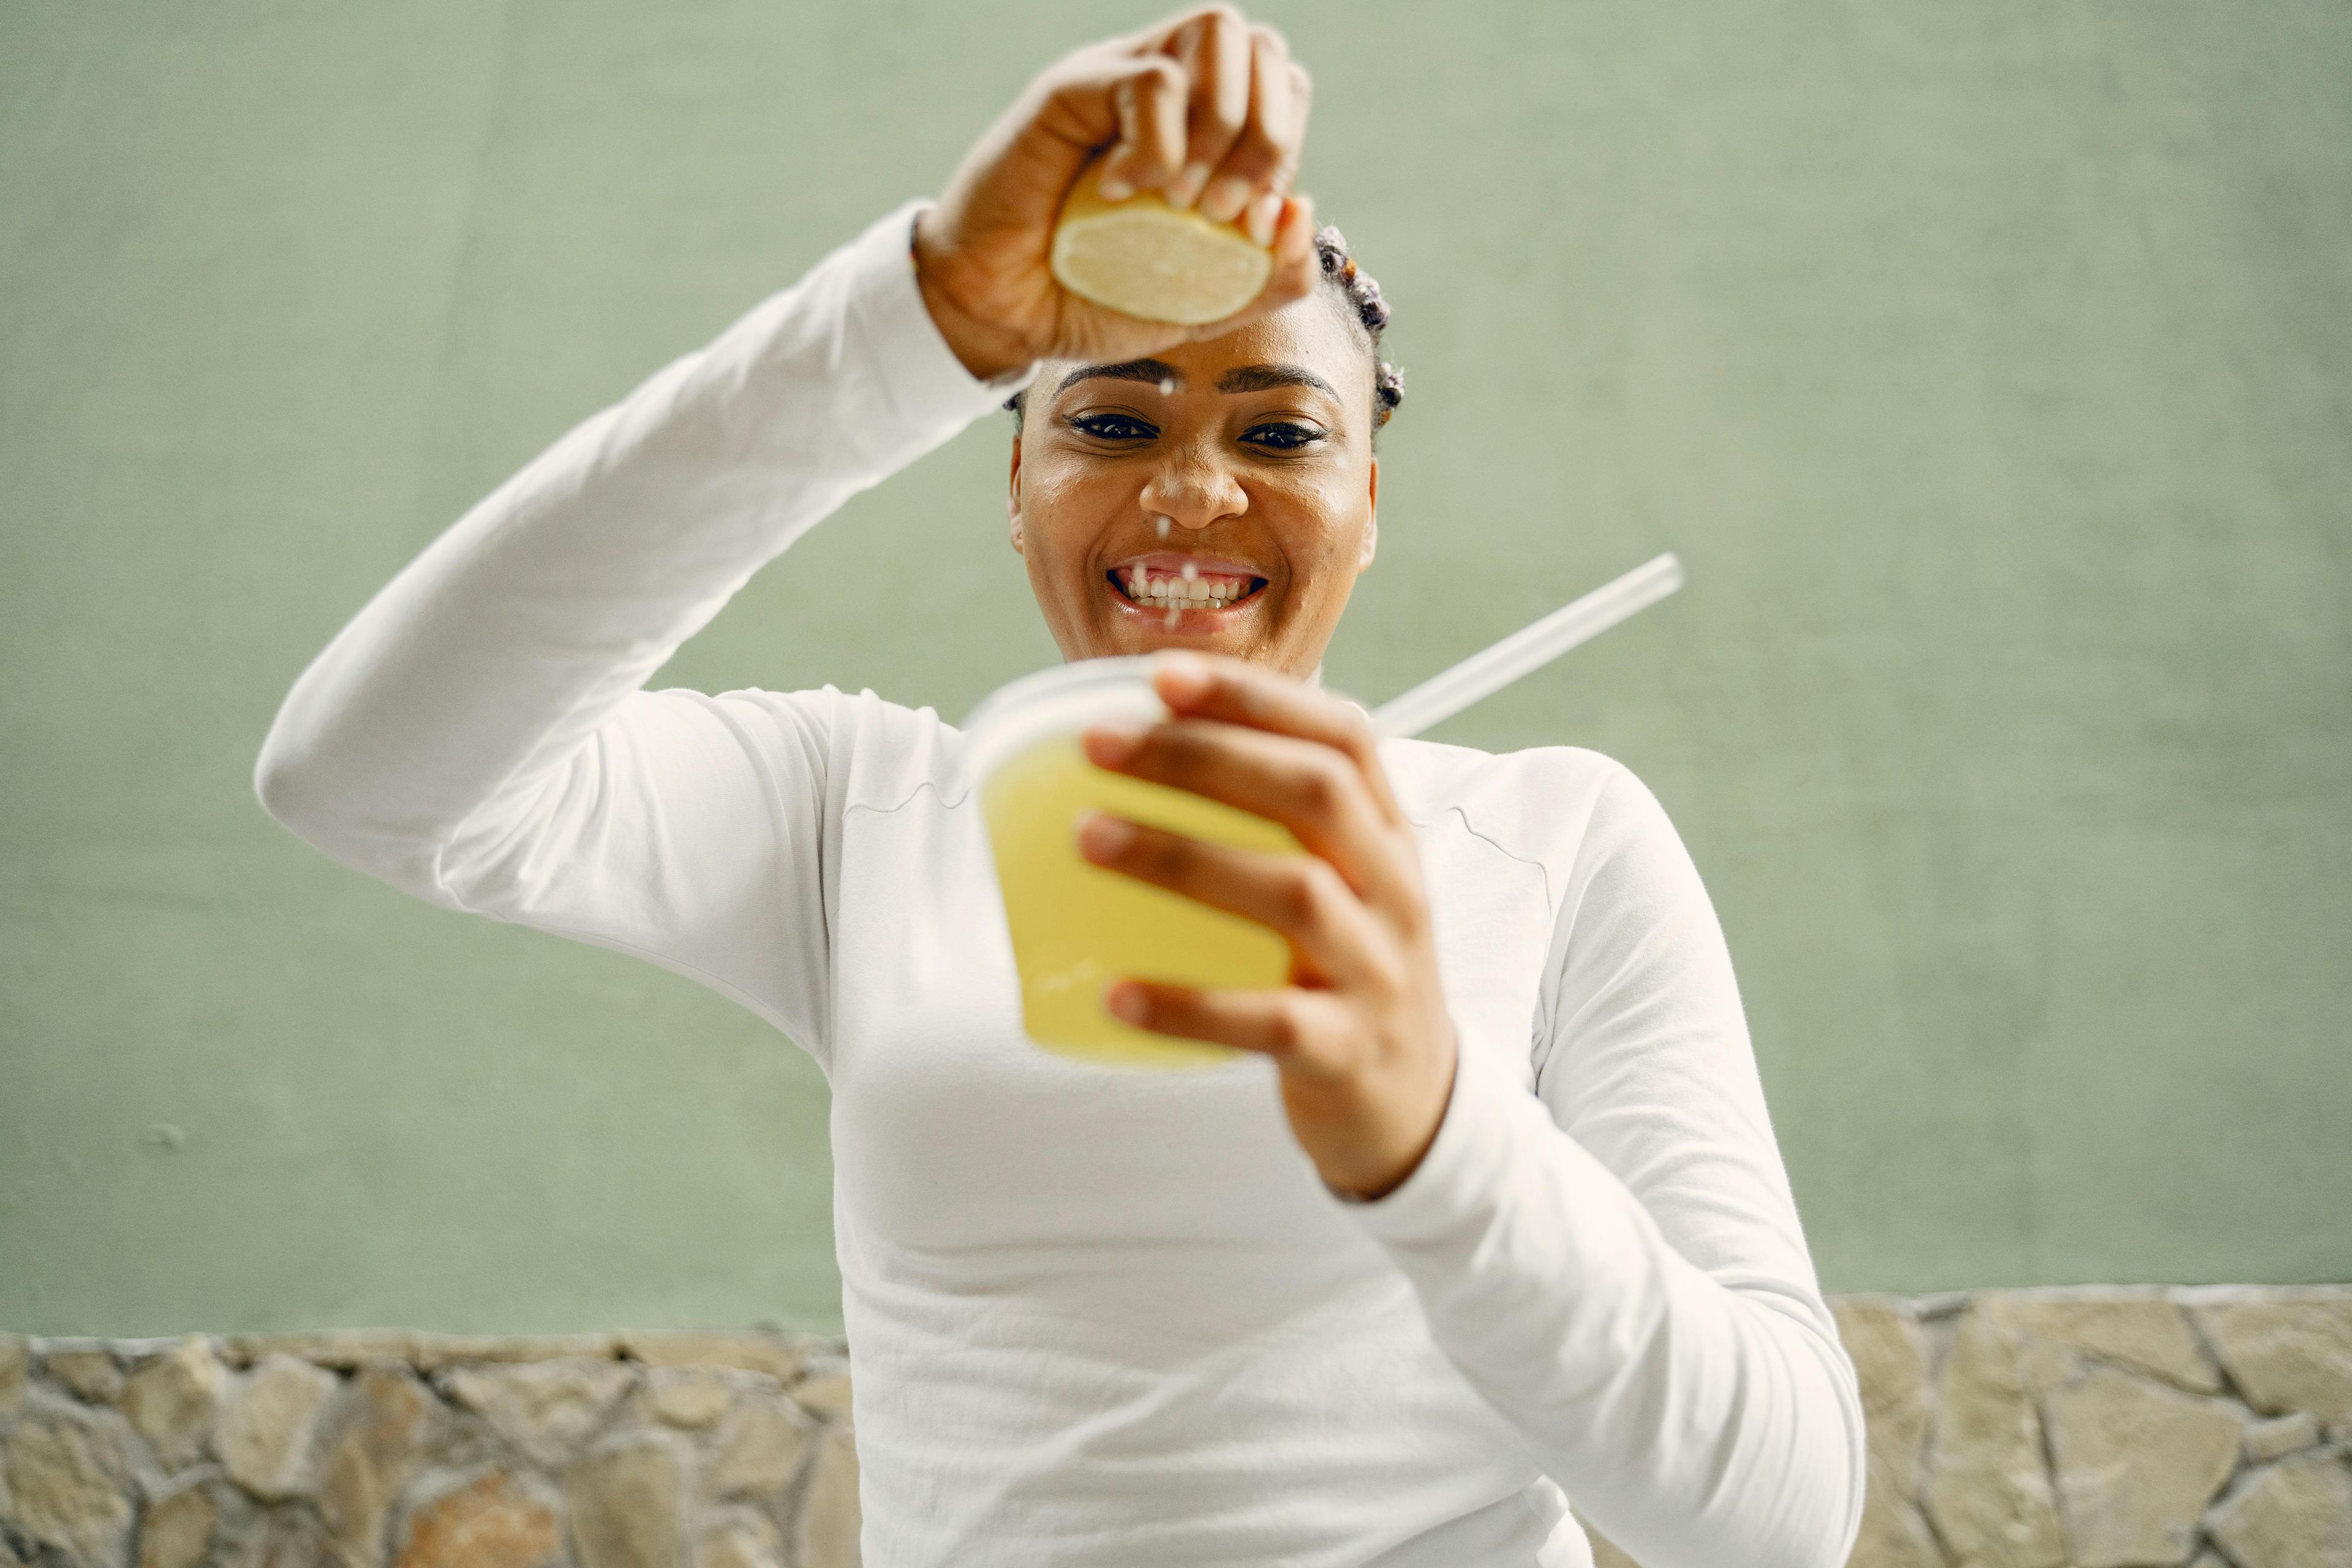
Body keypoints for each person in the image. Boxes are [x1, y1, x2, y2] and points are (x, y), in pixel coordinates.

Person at [253, 7, 1865, 1565]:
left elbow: (1784, 1520)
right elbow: (367, 777)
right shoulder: (862, 814)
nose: (1191, 486)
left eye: (1282, 430)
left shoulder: (1551, 835)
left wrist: (1436, 1140)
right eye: (1109, 416)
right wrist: (919, 317)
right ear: (1016, 491)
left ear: (1367, 506)